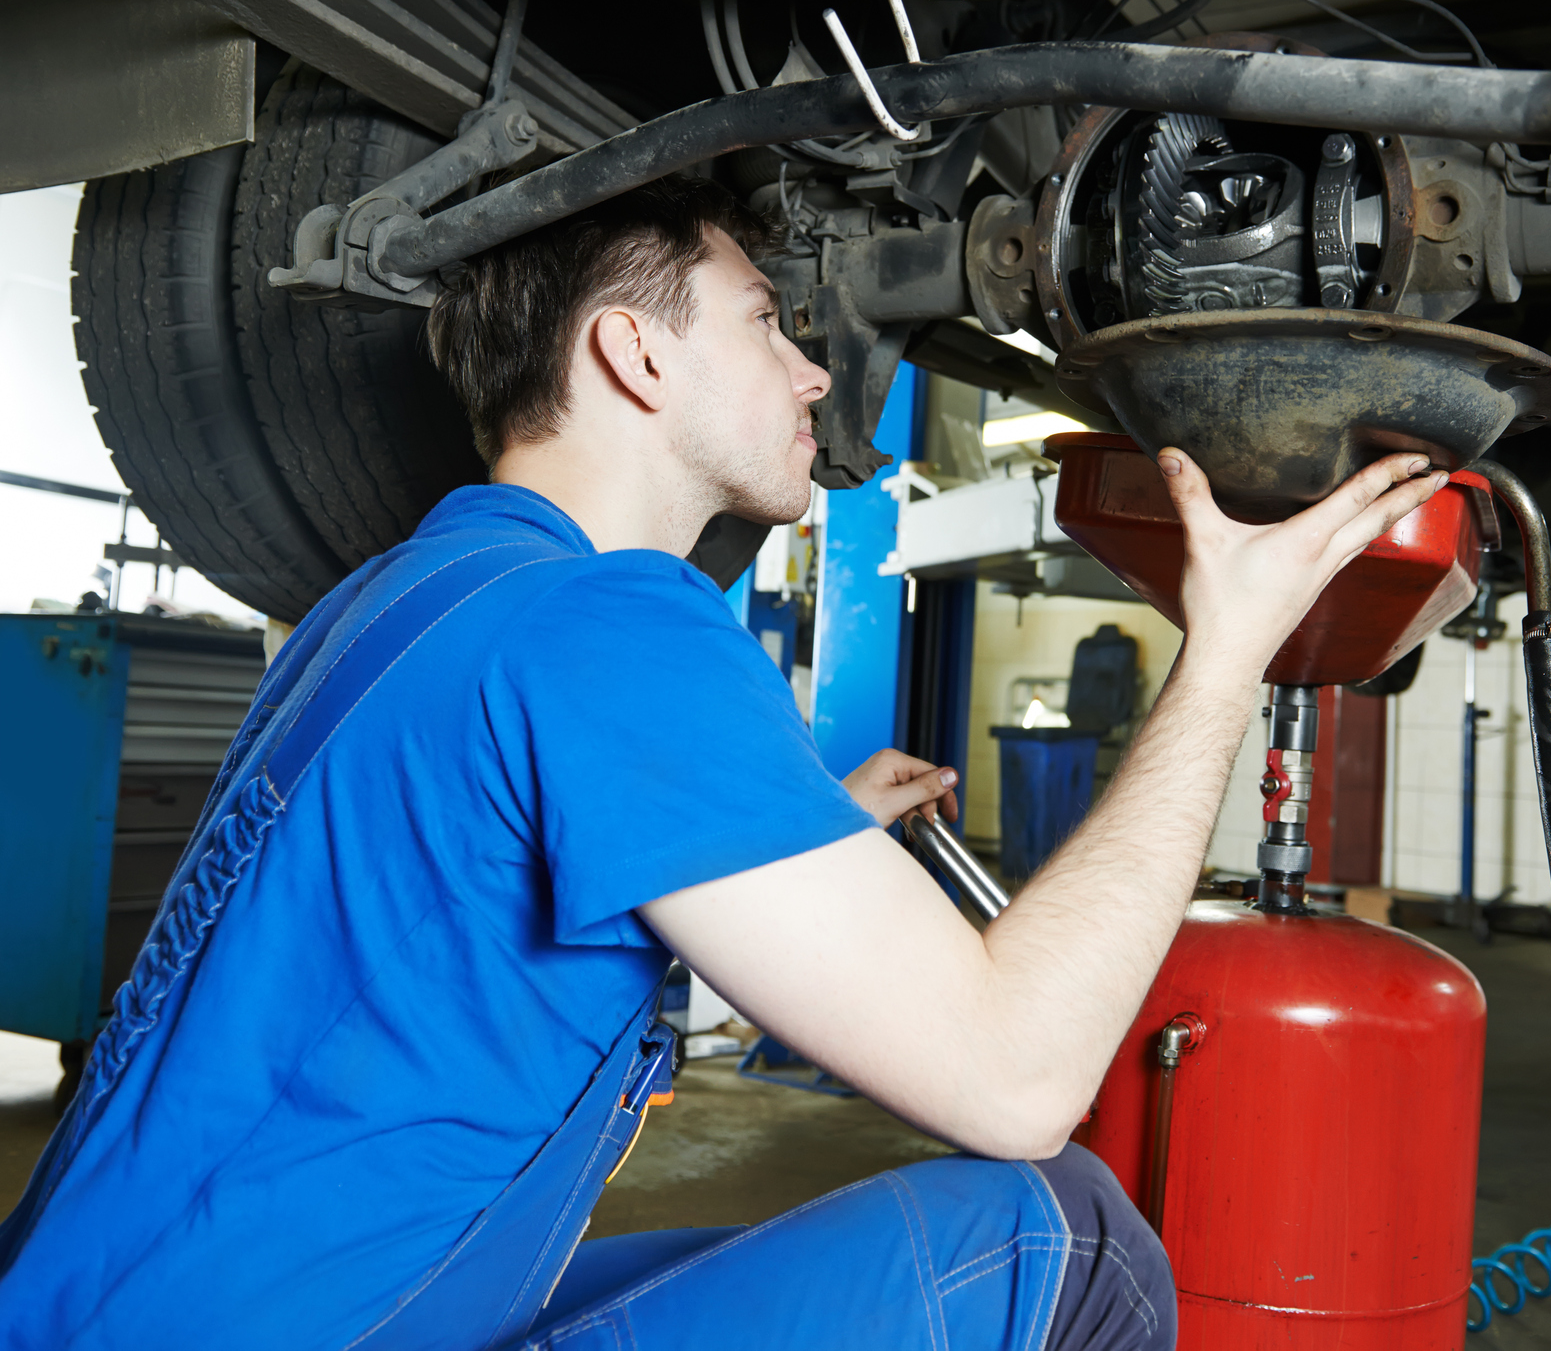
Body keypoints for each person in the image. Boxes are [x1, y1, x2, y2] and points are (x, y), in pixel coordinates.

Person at [0, 177, 1445, 1350]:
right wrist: (1226, 647)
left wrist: (804, 828)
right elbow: (1017, 1077)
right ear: (633, 356)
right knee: (1051, 1230)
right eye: (764, 319)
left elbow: (452, 904)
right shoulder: (608, 621)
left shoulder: (402, 601)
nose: (816, 364)